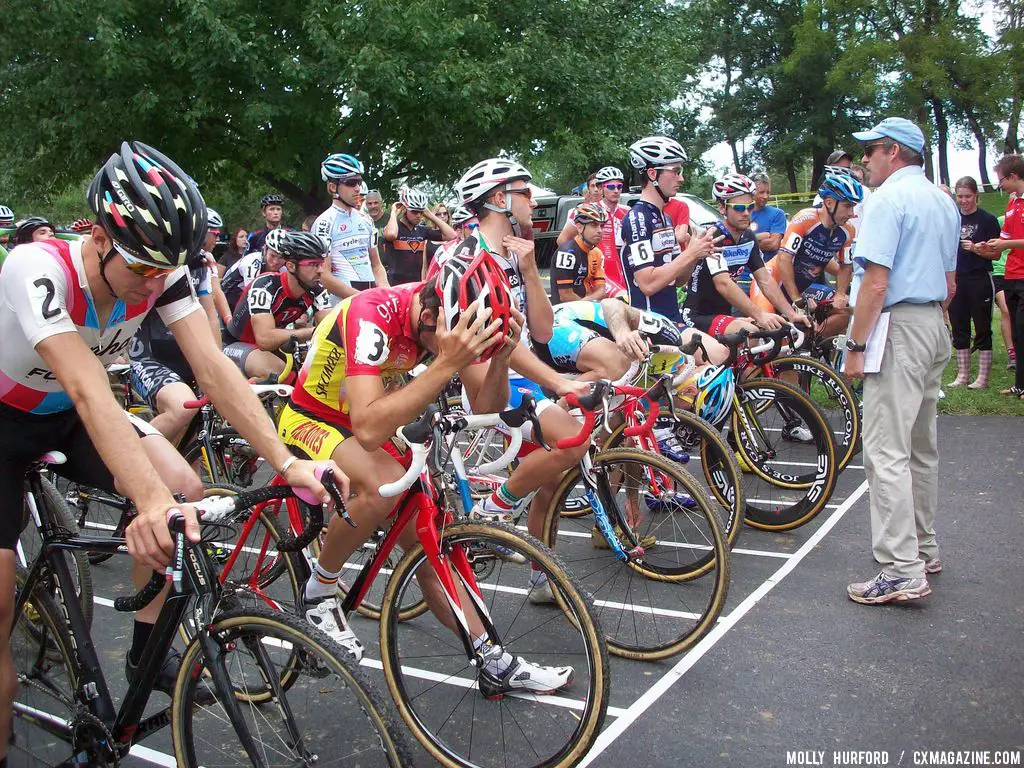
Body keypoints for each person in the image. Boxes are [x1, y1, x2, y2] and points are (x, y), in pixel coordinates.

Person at [0, 142, 340, 763]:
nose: (155, 282)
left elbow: (213, 366)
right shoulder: (35, 267)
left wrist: (289, 462)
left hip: (67, 416)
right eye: (143, 267)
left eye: (167, 268)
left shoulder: (163, 269)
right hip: (9, 419)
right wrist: (147, 502)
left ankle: (145, 652)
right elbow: (87, 388)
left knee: (187, 491)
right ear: (100, 237)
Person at [844, 117, 959, 604]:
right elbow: (951, 284)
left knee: (885, 449)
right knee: (918, 446)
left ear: (893, 151)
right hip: (933, 321)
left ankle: (900, 566)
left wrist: (855, 345)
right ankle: (923, 547)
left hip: (899, 325)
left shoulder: (888, 199)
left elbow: (875, 282)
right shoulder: (943, 200)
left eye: (870, 150)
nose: (864, 159)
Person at [680, 173, 805, 336]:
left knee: (774, 329)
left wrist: (791, 314)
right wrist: (759, 315)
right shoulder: (713, 236)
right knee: (750, 331)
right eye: (739, 208)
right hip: (697, 316)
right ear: (723, 207)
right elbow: (723, 283)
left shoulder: (748, 237)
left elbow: (765, 280)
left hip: (724, 314)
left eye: (750, 206)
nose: (746, 212)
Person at [750, 173, 863, 338]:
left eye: (853, 206)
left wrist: (840, 293)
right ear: (830, 203)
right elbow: (784, 258)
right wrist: (796, 298)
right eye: (847, 206)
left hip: (801, 287)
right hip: (772, 281)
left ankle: (808, 344)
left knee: (845, 312)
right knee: (769, 330)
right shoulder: (806, 219)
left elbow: (845, 265)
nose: (852, 213)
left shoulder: (848, 230)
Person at [621, 136, 719, 322]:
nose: (681, 178)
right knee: (720, 351)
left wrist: (694, 256)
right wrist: (689, 255)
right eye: (675, 171)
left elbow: (679, 280)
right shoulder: (638, 218)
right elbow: (647, 284)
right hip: (650, 323)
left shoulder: (665, 218)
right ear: (652, 174)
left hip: (672, 317)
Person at [222, 230, 333, 380]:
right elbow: (264, 339)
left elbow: (331, 326)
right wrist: (311, 331)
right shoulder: (265, 285)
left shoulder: (316, 289)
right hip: (235, 344)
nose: (320, 270)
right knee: (278, 371)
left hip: (270, 346)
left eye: (321, 264)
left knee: (315, 371)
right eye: (313, 264)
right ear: (291, 266)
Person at [947, 177, 1001, 389]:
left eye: (968, 196)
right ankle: (963, 374)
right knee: (959, 324)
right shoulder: (952, 219)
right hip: (957, 277)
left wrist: (979, 249)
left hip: (979, 277)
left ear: (976, 195)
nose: (964, 201)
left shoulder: (987, 220)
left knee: (982, 325)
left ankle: (983, 376)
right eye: (960, 196)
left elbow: (996, 255)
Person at [312, 152, 388, 300]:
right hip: (342, 302)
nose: (358, 188)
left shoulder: (366, 220)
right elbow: (324, 276)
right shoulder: (324, 223)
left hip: (370, 297)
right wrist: (362, 298)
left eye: (359, 182)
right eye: (351, 183)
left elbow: (377, 265)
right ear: (333, 187)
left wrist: (386, 293)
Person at [982, 156, 1024, 395]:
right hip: (1011, 274)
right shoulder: (1012, 204)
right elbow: (1006, 238)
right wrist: (988, 246)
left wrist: (1005, 244)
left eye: (1001, 180)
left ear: (1014, 176)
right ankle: (1019, 385)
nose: (999, 185)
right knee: (1017, 333)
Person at [557, 166, 631, 292]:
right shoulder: (586, 210)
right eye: (611, 187)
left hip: (623, 274)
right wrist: (583, 265)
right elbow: (562, 241)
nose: (616, 191)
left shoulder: (627, 212)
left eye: (619, 186)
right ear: (601, 188)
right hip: (597, 276)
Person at [381, 187, 456, 285]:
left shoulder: (422, 230)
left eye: (421, 212)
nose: (418, 215)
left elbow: (451, 235)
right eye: (414, 211)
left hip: (415, 285)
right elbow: (390, 235)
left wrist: (429, 214)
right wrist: (394, 213)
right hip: (395, 285)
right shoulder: (394, 227)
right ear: (404, 210)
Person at [549, 203, 608, 304]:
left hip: (585, 307)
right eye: (594, 225)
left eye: (601, 226)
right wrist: (590, 303)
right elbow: (565, 295)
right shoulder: (567, 253)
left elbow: (601, 290)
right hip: (565, 311)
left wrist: (588, 303)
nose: (599, 231)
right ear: (580, 228)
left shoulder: (597, 253)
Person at [220, 227, 287, 312]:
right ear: (265, 250)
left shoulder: (284, 268)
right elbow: (252, 296)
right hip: (228, 296)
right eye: (272, 256)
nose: (275, 261)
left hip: (243, 298)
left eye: (281, 258)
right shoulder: (251, 262)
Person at [991, 215, 1015, 369]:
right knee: (1006, 310)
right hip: (1000, 271)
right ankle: (1012, 354)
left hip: (1017, 271)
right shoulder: (1001, 220)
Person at [749, 173, 787, 262]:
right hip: (744, 272)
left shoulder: (777, 214)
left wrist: (744, 243)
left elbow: (773, 245)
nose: (765, 196)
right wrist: (759, 237)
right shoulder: (742, 214)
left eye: (768, 192)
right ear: (752, 192)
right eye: (761, 192)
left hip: (768, 268)